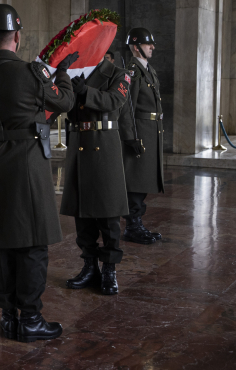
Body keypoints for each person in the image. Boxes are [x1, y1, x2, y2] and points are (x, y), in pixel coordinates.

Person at [0, 4, 74, 343]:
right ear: (17, 36)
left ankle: (8, 317)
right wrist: (63, 74)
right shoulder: (31, 73)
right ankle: (30, 319)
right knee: (31, 243)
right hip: (27, 164)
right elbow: (65, 102)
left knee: (1, 242)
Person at [61, 42, 134, 296]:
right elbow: (65, 108)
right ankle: (89, 266)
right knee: (82, 213)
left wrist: (86, 92)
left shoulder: (119, 74)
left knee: (109, 213)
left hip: (105, 147)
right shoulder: (75, 73)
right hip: (79, 144)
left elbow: (115, 101)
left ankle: (110, 270)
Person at [118, 27, 164, 243]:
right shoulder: (132, 72)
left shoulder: (148, 70)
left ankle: (137, 224)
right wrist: (130, 137)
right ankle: (132, 227)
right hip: (140, 135)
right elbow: (127, 108)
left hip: (150, 133)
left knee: (143, 180)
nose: (152, 47)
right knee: (136, 182)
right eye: (148, 44)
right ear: (136, 48)